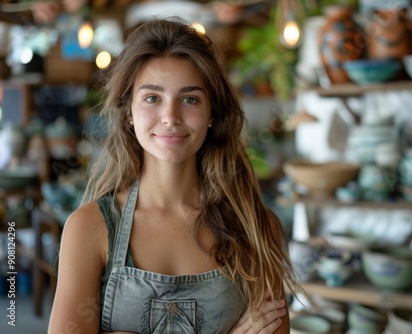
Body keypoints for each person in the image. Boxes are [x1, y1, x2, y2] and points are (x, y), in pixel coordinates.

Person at [48, 17, 297, 333]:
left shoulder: (257, 227)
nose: (170, 117)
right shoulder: (89, 228)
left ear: (211, 114)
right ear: (128, 113)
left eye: (190, 99)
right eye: (152, 98)